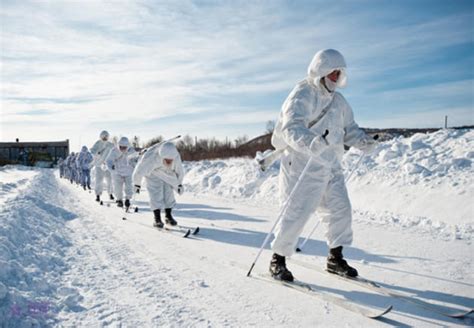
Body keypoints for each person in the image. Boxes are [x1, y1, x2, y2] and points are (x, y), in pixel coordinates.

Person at [269, 49, 377, 281]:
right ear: (321, 72)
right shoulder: (303, 94)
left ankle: (335, 258)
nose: (336, 78)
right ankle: (278, 260)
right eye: (333, 73)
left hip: (330, 165)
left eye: (339, 74)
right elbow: (291, 127)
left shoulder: (339, 102)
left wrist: (363, 141)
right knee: (295, 212)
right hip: (302, 164)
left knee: (340, 210)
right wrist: (312, 143)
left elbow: (349, 129)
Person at [132, 142, 184, 228]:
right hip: (153, 174)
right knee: (156, 195)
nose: (169, 161)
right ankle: (157, 218)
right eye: (167, 160)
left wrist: (179, 184)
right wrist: (137, 184)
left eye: (170, 160)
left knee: (169, 195)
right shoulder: (151, 157)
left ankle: (168, 216)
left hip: (168, 174)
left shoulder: (175, 156)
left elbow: (179, 171)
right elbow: (139, 170)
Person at [106, 137, 136, 208]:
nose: (122, 149)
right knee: (117, 188)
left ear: (127, 146)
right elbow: (109, 160)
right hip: (117, 172)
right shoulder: (114, 151)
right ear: (118, 145)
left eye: (124, 147)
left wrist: (135, 165)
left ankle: (127, 199)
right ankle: (119, 200)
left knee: (129, 186)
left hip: (129, 172)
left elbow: (136, 159)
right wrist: (111, 167)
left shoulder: (131, 151)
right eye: (121, 147)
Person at [90, 130, 115, 203]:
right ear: (101, 136)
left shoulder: (111, 145)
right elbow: (92, 151)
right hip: (99, 165)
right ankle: (98, 195)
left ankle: (110, 194)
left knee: (109, 180)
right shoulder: (97, 143)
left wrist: (113, 163)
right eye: (103, 136)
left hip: (108, 165)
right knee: (99, 181)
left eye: (106, 136)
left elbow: (115, 153)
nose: (105, 138)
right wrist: (96, 153)